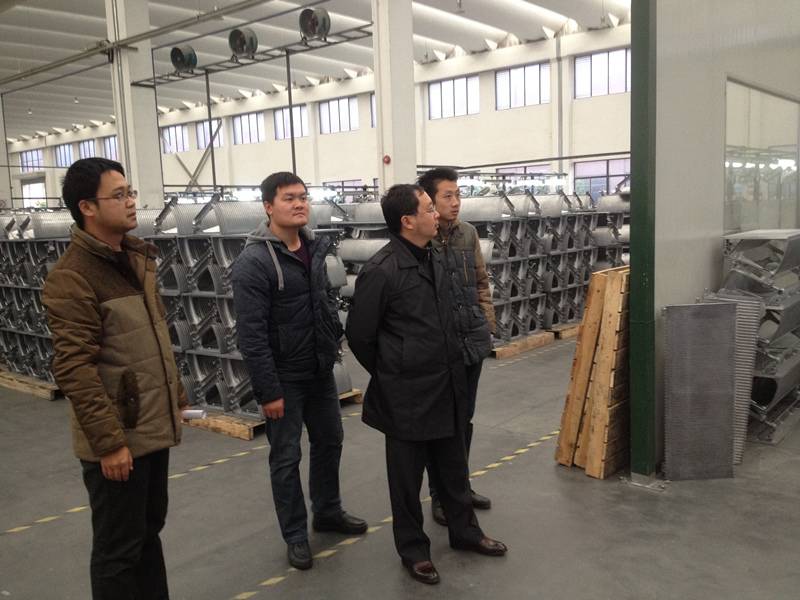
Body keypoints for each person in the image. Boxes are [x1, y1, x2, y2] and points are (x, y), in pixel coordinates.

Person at [346, 184, 507, 585]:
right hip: (407, 395)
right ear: (407, 221)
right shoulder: (382, 270)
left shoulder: (435, 257)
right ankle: (414, 550)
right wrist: (395, 370)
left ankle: (465, 532)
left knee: (453, 467)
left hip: (446, 382)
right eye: (429, 208)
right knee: (406, 479)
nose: (437, 214)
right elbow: (360, 336)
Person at [43, 157, 187, 600]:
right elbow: (74, 369)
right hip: (118, 437)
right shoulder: (73, 276)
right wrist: (109, 443)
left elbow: (151, 339)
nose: (131, 202)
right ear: (87, 207)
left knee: (148, 532)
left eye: (130, 193)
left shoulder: (136, 258)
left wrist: (175, 395)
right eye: (119, 195)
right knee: (117, 551)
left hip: (149, 426)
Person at [232, 171, 367, 571]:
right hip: (284, 378)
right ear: (268, 207)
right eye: (289, 198)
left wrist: (331, 348)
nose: (299, 204)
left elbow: (322, 305)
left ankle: (327, 511)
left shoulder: (313, 248)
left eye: (303, 197)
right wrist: (268, 391)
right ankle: (295, 534)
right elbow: (251, 335)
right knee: (286, 456)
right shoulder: (254, 262)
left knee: (330, 440)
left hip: (318, 370)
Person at [417, 167, 495, 526]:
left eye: (458, 194)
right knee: (442, 425)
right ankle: (440, 495)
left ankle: (460, 487)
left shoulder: (468, 234)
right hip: (440, 350)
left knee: (464, 420)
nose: (456, 202)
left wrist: (486, 324)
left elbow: (481, 282)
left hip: (471, 341)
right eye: (447, 195)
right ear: (430, 201)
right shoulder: (423, 239)